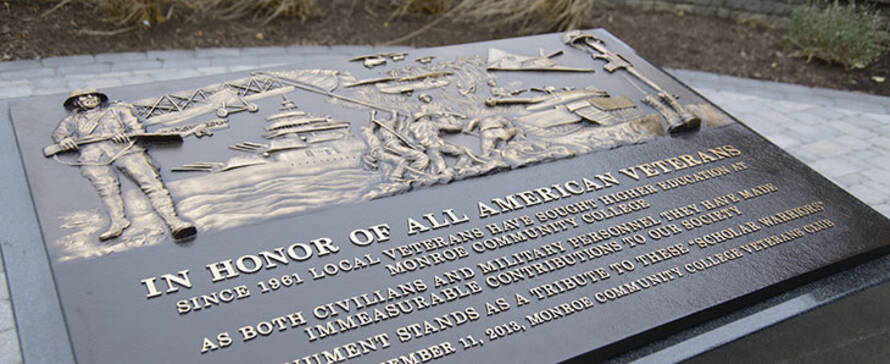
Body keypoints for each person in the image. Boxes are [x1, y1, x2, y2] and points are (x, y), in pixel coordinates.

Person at [52, 88, 196, 241]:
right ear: (76, 102)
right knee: (106, 190)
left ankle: (173, 221)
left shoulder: (118, 110)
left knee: (151, 184)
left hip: (126, 150)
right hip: (93, 157)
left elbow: (137, 129)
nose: (89, 98)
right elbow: (59, 134)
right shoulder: (72, 121)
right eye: (84, 96)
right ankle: (117, 222)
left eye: (92, 95)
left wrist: (126, 135)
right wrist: (64, 140)